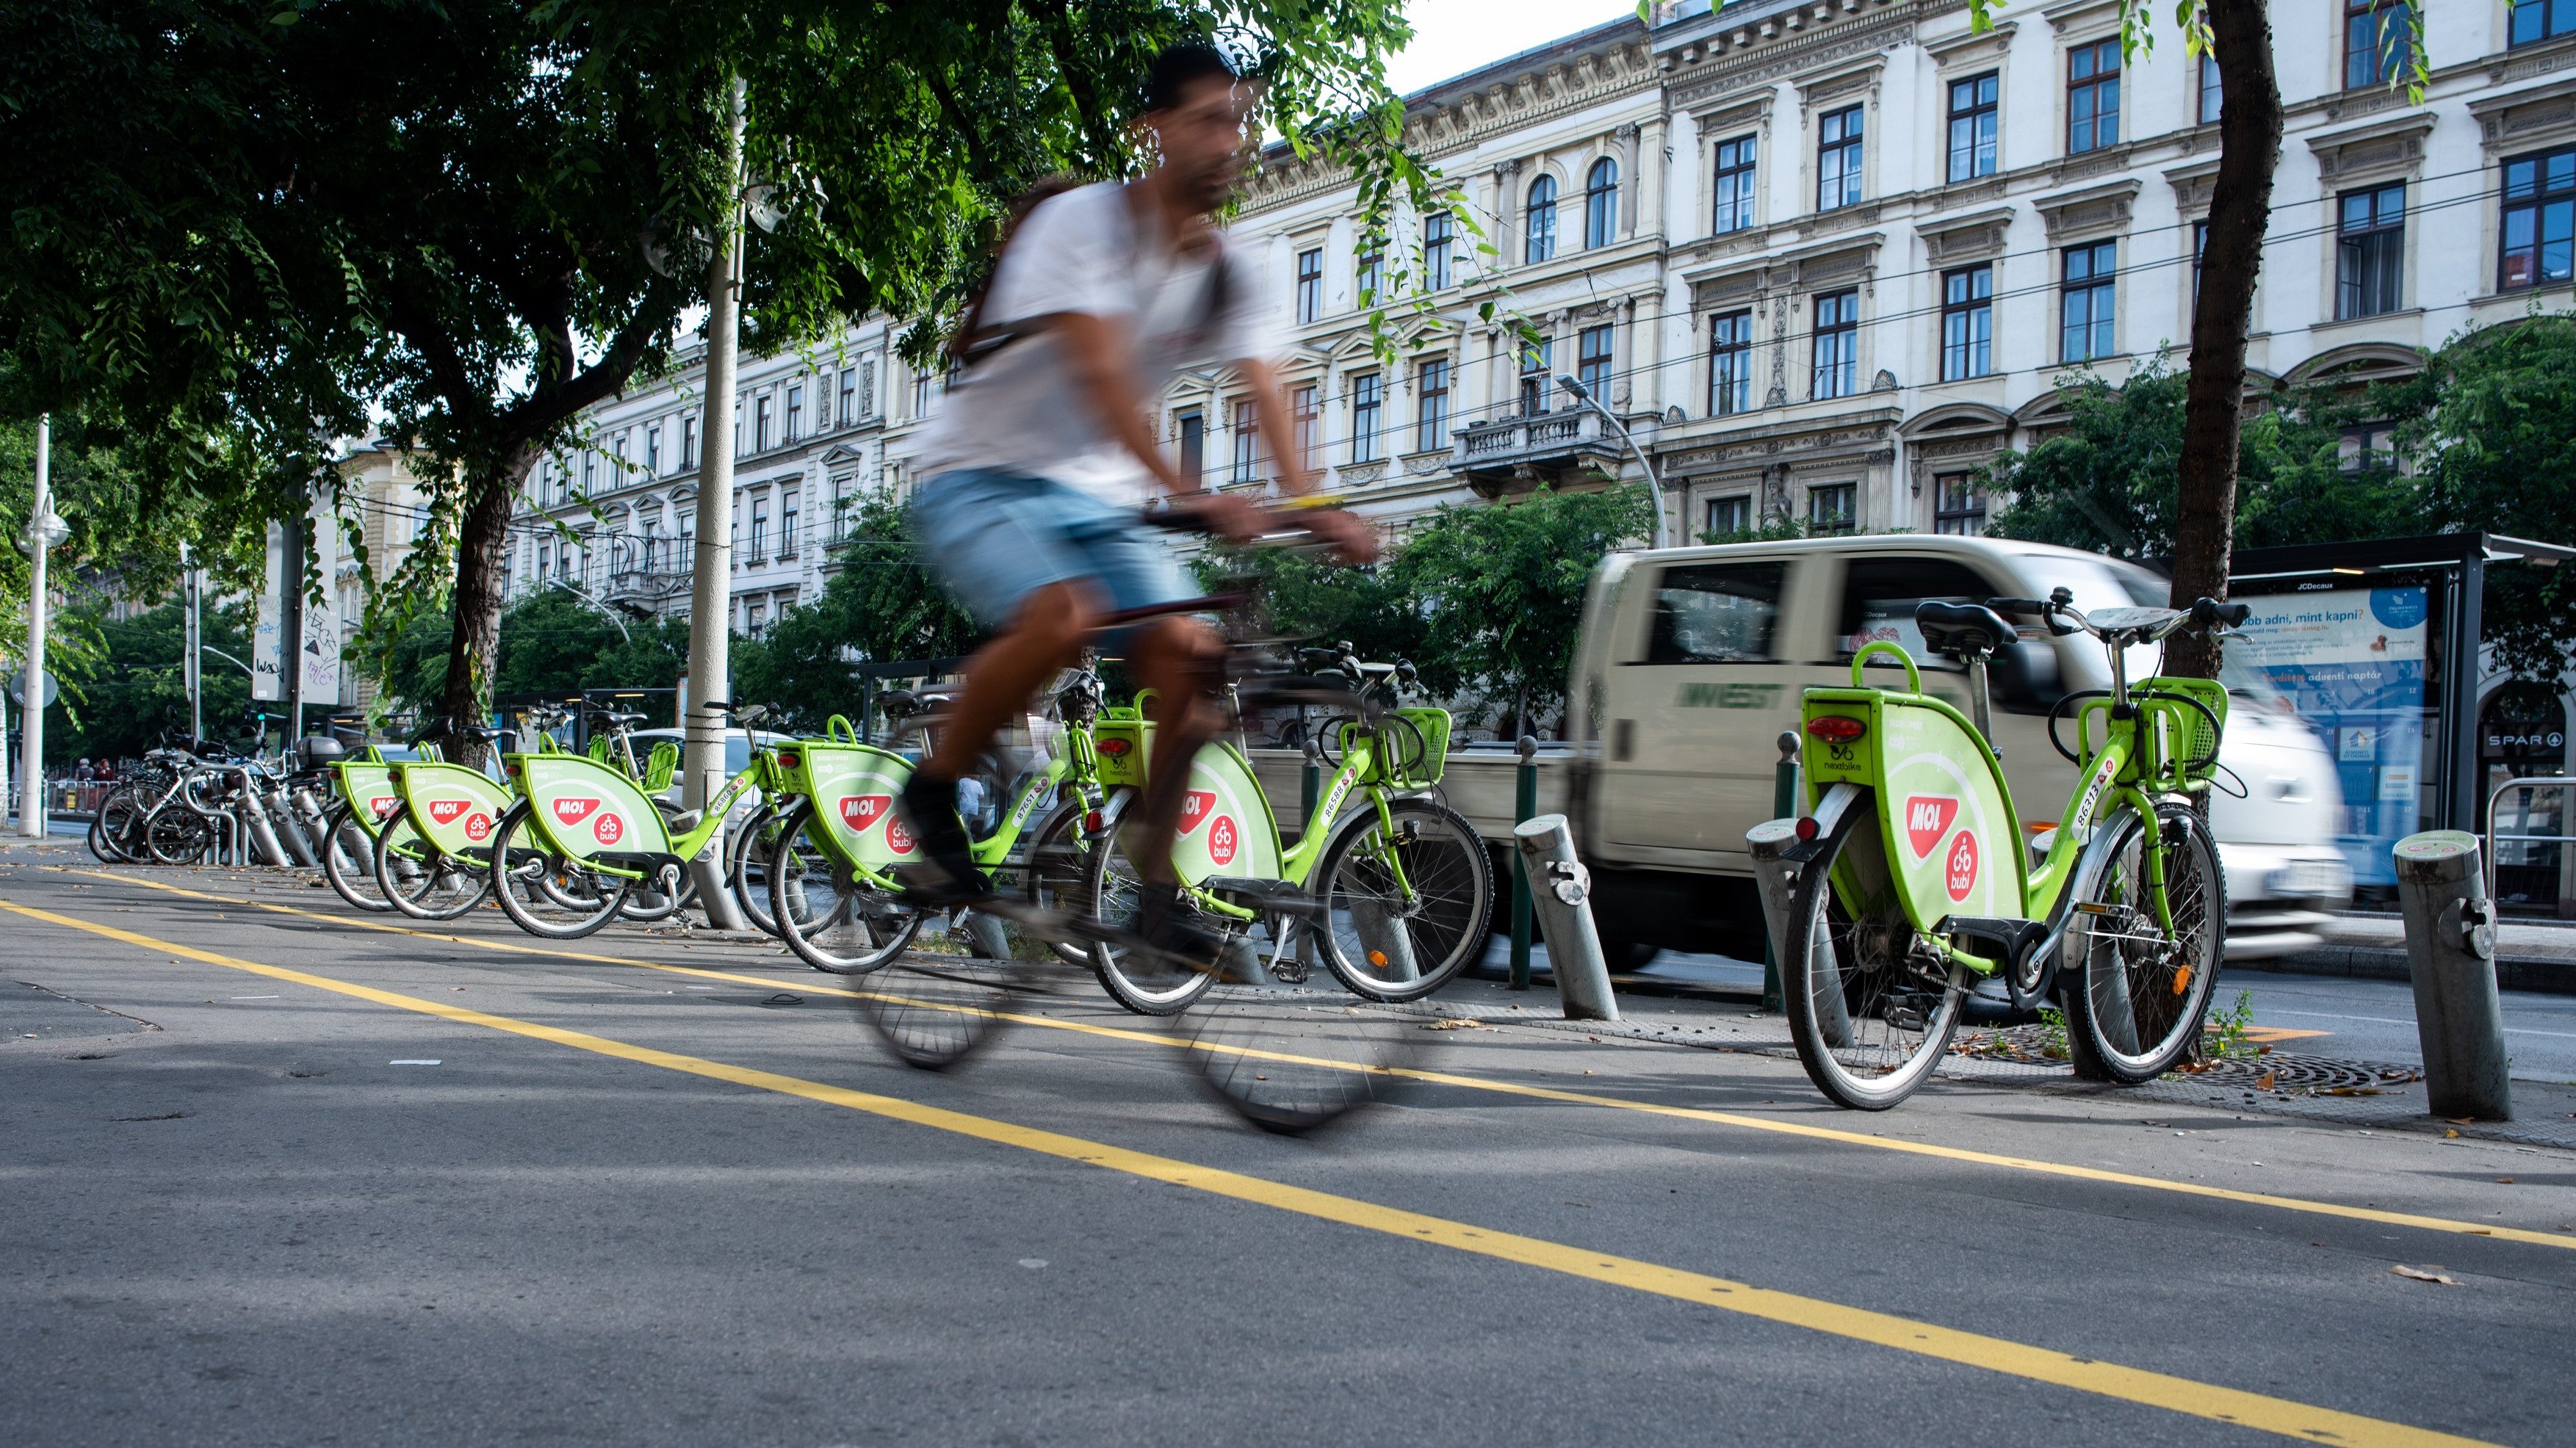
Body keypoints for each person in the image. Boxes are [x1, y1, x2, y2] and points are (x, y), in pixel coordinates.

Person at [898, 43, 1374, 960]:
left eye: (1237, 120)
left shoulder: (1235, 270)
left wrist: (1317, 504)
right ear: (1150, 131)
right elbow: (1104, 377)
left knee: (1193, 658)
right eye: (1205, 119)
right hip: (979, 474)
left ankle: (1154, 893)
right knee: (1063, 613)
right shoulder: (1080, 225)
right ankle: (933, 787)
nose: (1228, 139)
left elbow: (1268, 389)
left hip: (1098, 501)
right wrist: (1195, 493)